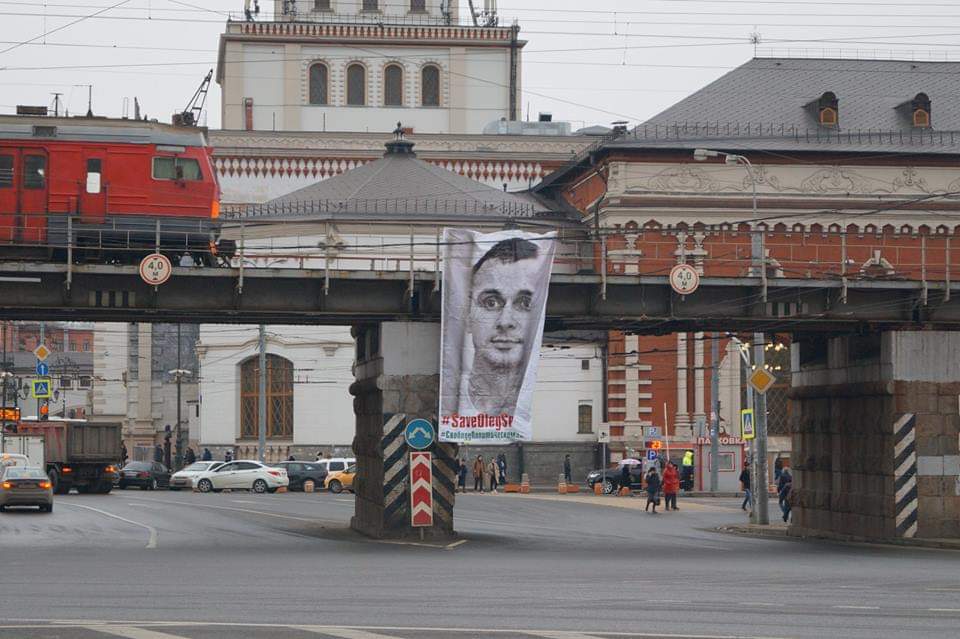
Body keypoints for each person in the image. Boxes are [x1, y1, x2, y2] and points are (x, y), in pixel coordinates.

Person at [459, 238, 542, 416]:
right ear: (467, 315)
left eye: (525, 303)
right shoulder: (451, 398)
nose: (505, 322)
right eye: (491, 302)